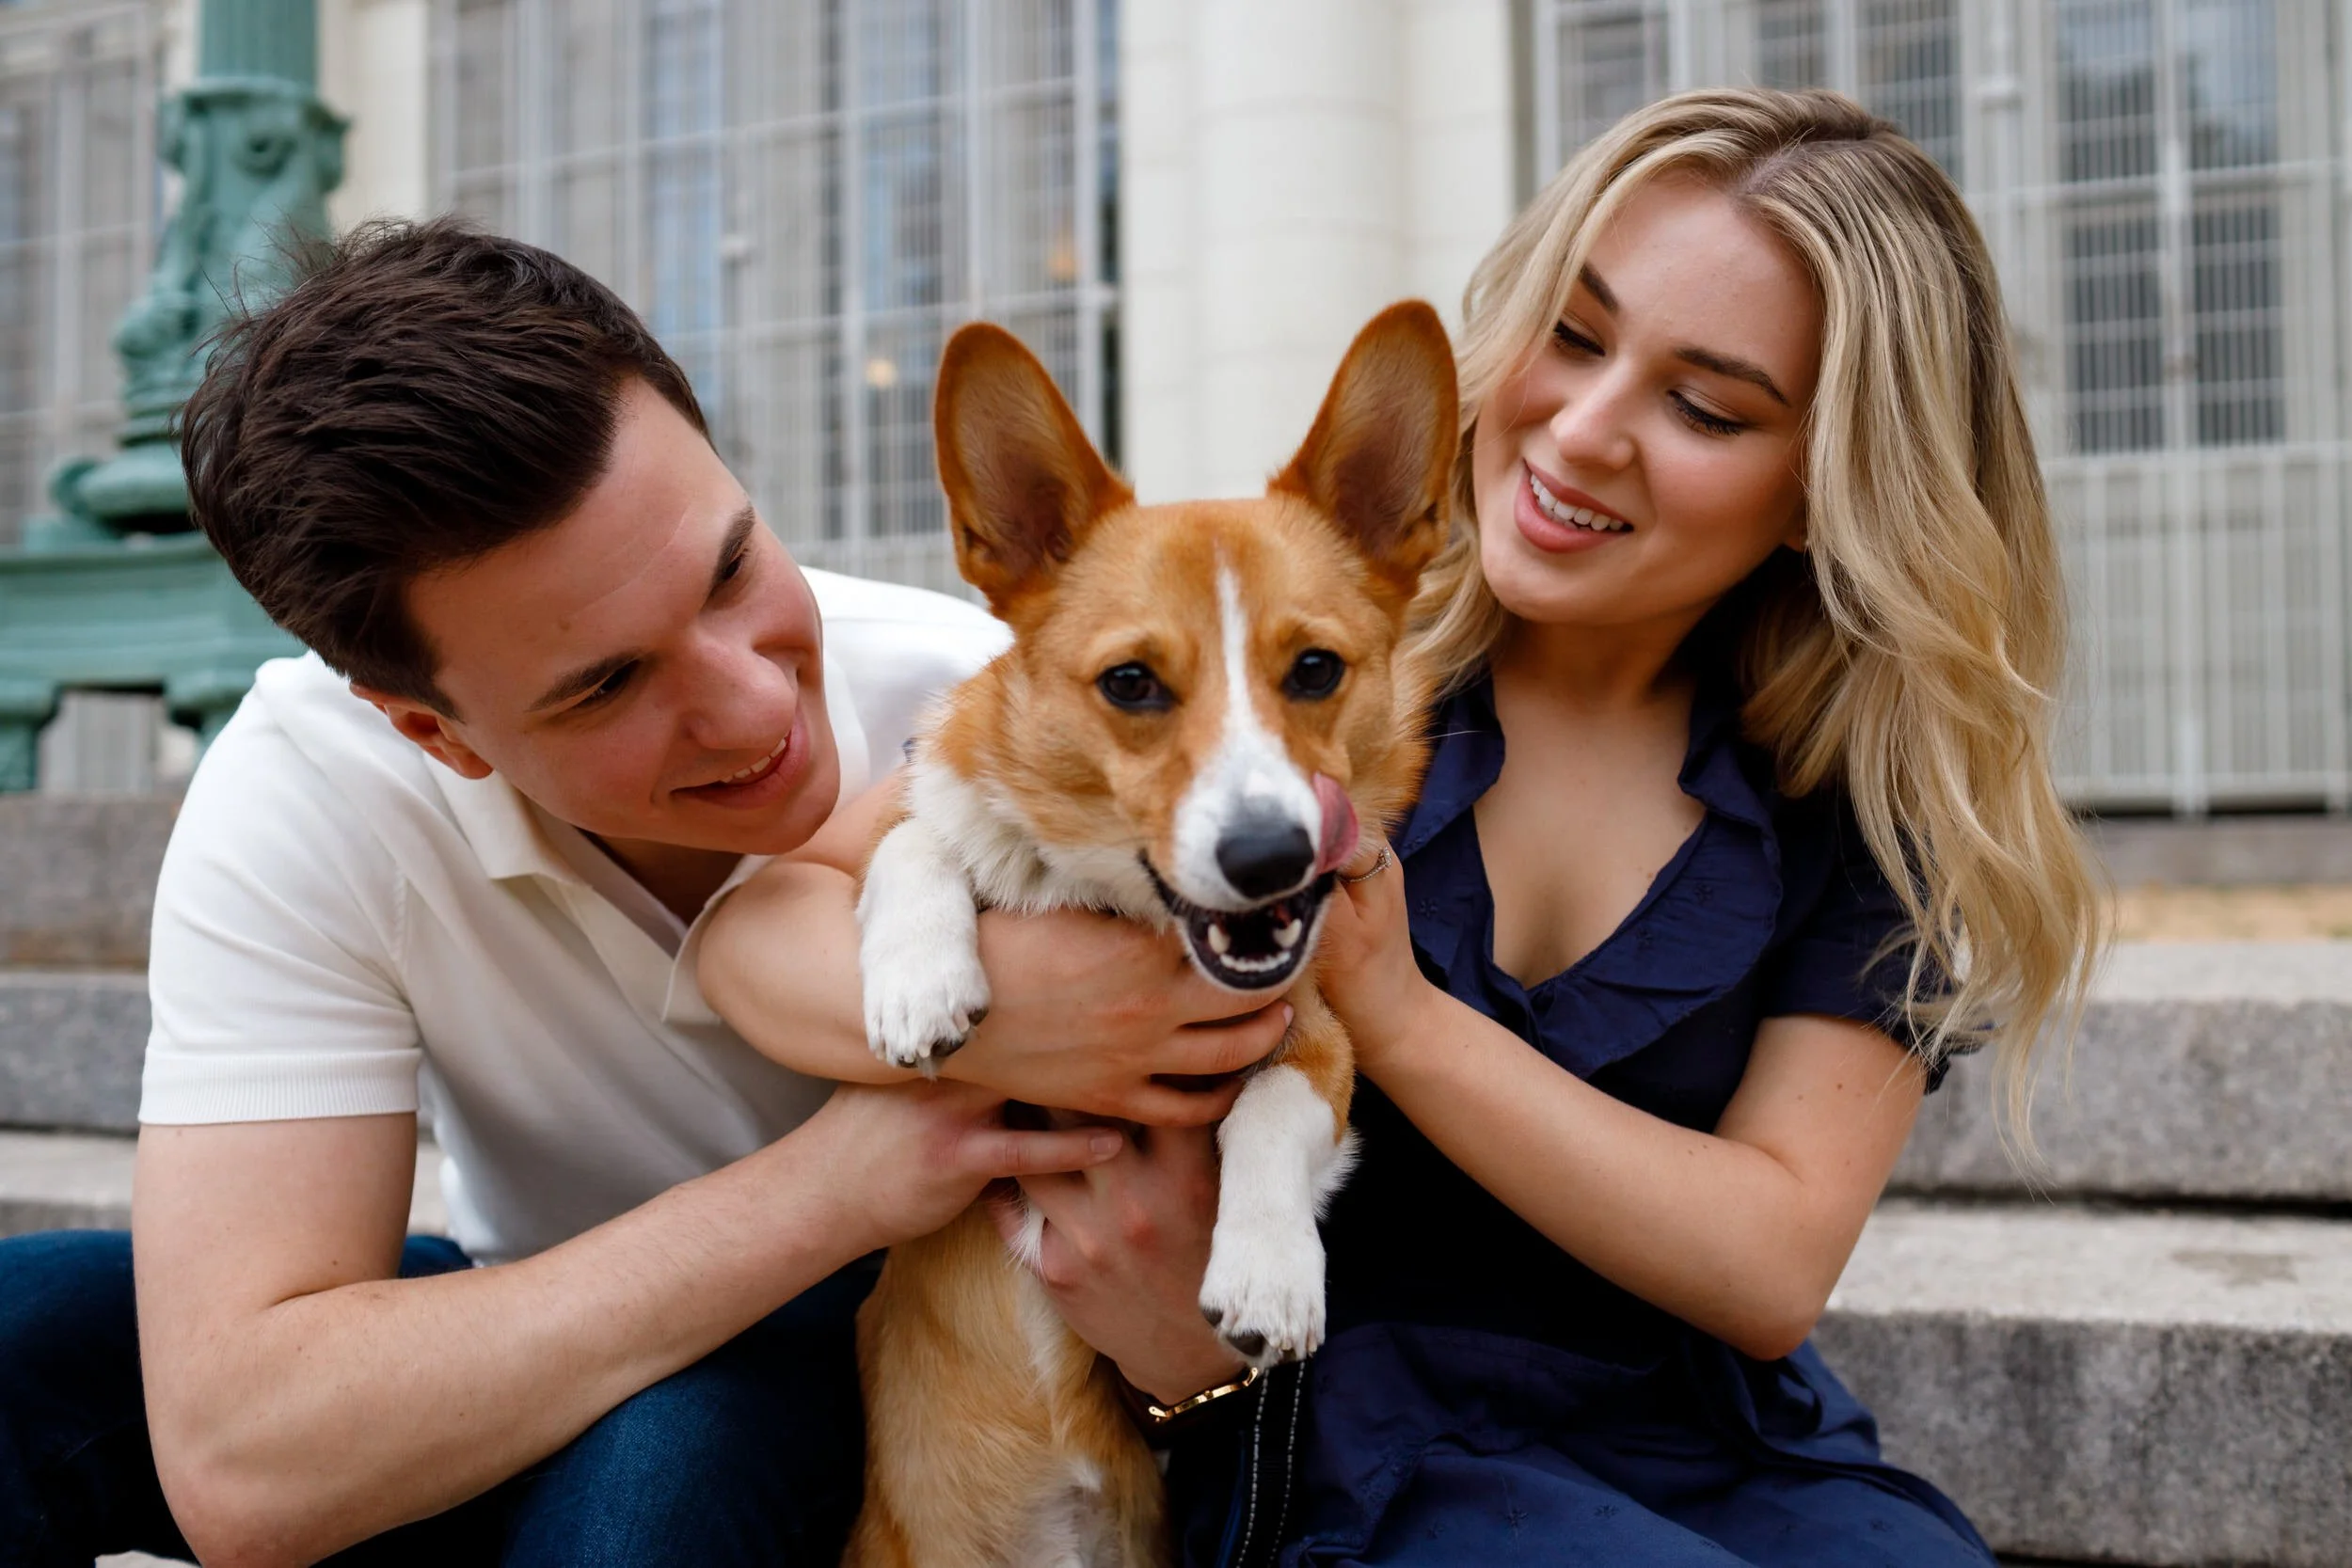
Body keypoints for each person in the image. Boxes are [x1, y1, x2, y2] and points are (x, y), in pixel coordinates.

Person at [705, 86, 2106, 1568]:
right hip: (1323, 1431)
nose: (1584, 426)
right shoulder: (1291, 672)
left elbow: (1769, 1266)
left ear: (1830, 487)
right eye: (1573, 333)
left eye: (1704, 405)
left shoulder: (1848, 808)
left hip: (1699, 1444)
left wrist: (1404, 1017)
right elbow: (761, 924)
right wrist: (1025, 1023)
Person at [0, 219, 1292, 1567]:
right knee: (26, 1332)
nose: (749, 703)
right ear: (435, 732)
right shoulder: (303, 789)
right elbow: (243, 1458)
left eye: (732, 567)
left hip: (953, 1389)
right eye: (607, 683)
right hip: (555, 1323)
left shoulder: (1031, 707)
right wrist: (832, 1187)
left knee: (663, 1465)